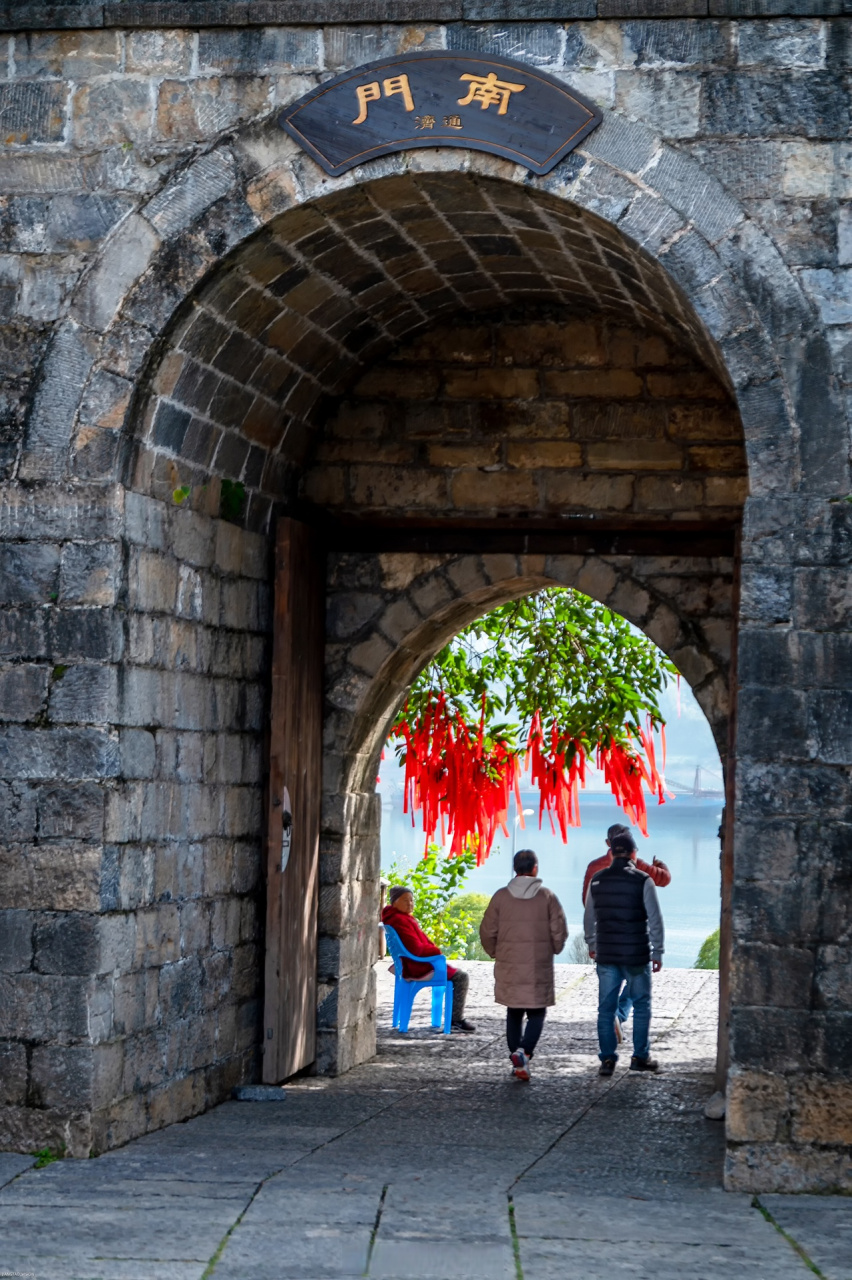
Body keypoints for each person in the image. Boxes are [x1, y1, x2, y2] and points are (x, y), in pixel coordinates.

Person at [479, 849, 568, 1082]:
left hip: (509, 962)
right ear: (535, 868)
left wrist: (494, 951)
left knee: (514, 1011)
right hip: (538, 964)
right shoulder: (547, 896)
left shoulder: (500, 896)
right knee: (537, 1011)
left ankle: (517, 1060)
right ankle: (524, 1051)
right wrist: (555, 948)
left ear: (515, 869)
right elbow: (559, 930)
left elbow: (487, 930)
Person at [584, 830, 664, 1077]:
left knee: (605, 1009)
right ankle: (640, 1056)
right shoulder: (643, 880)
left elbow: (589, 918)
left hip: (607, 954)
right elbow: (655, 919)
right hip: (636, 955)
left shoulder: (597, 880)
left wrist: (592, 944)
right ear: (633, 854)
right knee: (642, 1005)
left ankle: (607, 1060)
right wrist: (658, 951)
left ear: (611, 853)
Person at [381, 885, 475, 1033]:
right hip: (418, 966)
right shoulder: (400, 920)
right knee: (461, 977)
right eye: (405, 900)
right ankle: (456, 1019)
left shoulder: (395, 918)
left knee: (454, 972)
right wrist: (436, 951)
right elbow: (416, 949)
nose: (410, 904)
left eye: (411, 900)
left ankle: (453, 1019)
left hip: (408, 963)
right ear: (394, 902)